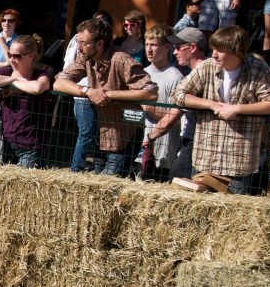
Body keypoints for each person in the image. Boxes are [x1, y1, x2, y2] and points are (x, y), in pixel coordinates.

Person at [171, 25, 270, 194]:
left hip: (239, 161)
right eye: (213, 49)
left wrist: (238, 109)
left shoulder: (257, 69)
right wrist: (211, 104)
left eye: (220, 50)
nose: (214, 54)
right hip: (205, 156)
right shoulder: (207, 67)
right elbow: (178, 95)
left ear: (236, 50)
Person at [54, 17, 158, 177]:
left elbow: (150, 92)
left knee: (110, 186)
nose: (79, 48)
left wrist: (108, 94)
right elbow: (59, 83)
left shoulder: (121, 59)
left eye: (84, 43)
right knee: (98, 186)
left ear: (100, 43)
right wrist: (88, 91)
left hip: (125, 136)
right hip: (102, 136)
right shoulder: (86, 59)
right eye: (79, 42)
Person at [0, 34, 53, 168]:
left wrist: (14, 83)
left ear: (31, 56)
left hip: (31, 146)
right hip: (4, 142)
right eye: (10, 55)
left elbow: (37, 87)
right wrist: (14, 80)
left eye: (17, 56)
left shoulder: (40, 74)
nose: (12, 59)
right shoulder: (7, 71)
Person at [64, 9, 113, 173]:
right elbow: (66, 70)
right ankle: (76, 168)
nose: (81, 46)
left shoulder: (115, 55)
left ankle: (98, 167)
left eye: (104, 22)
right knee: (86, 133)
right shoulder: (80, 43)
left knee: (100, 133)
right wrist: (86, 90)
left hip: (99, 95)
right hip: (82, 94)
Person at [139, 25, 183, 181]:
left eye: (154, 45)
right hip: (139, 147)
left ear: (166, 47)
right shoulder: (142, 73)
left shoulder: (175, 76)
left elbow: (176, 117)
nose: (149, 49)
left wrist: (147, 107)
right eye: (147, 44)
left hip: (163, 150)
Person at [166, 26, 208, 180]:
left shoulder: (203, 71)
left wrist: (153, 135)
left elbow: (178, 104)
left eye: (178, 47)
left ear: (192, 48)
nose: (175, 52)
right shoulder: (194, 72)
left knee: (177, 180)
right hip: (191, 138)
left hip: (199, 139)